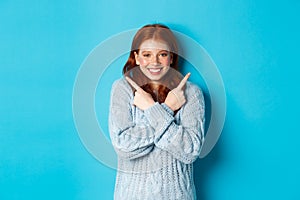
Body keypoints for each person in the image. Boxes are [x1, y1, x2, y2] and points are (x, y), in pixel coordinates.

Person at [109, 24, 205, 200]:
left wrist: (152, 110)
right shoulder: (122, 89)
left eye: (162, 54)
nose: (155, 62)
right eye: (147, 55)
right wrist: (167, 109)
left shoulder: (190, 92)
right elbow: (123, 145)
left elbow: (190, 151)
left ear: (171, 58)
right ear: (136, 58)